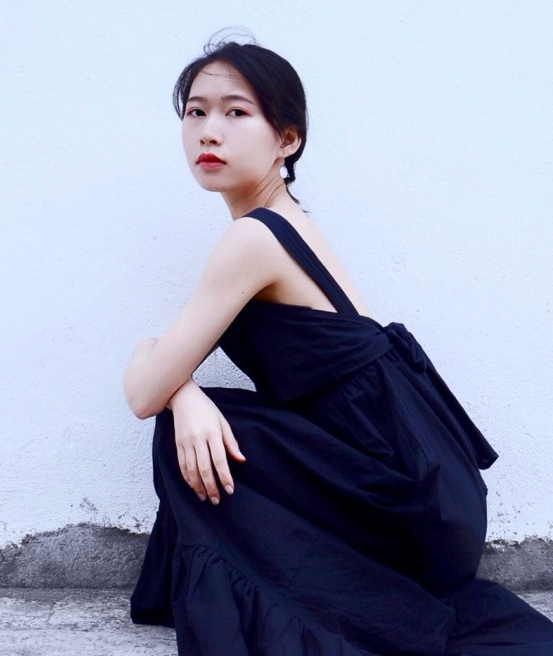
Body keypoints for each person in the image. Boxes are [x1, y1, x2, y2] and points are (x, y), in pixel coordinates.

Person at [124, 37, 553, 655]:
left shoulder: (254, 239)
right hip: (426, 491)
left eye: (236, 112)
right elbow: (164, 374)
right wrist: (186, 393)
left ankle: (303, 603)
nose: (209, 131)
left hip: (401, 502)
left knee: (180, 430)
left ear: (287, 139)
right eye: (196, 112)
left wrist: (176, 393)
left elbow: (144, 391)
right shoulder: (284, 222)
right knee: (195, 419)